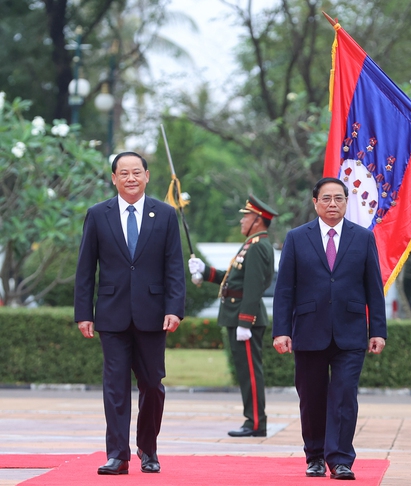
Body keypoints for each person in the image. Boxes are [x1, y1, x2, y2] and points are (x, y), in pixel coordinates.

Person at [74, 151, 186, 475]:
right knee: (115, 386)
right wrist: (84, 312)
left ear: (147, 176)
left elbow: (174, 267)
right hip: (111, 314)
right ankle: (117, 455)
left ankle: (148, 449)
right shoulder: (98, 214)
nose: (131, 178)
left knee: (152, 384)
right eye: (124, 173)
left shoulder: (164, 215)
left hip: (153, 314)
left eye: (137, 172)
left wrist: (175, 308)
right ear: (114, 179)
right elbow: (85, 269)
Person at [272, 177, 387, 481]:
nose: (332, 204)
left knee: (344, 395)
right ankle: (315, 456)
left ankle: (340, 460)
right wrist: (281, 331)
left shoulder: (363, 238)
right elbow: (284, 289)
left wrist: (378, 330)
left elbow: (374, 288)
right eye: (326, 199)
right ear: (315, 203)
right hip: (308, 330)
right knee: (311, 396)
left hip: (350, 332)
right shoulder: (297, 237)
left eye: (338, 198)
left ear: (347, 202)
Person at [187, 196, 277, 438]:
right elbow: (232, 278)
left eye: (246, 216)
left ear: (258, 220)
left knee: (250, 371)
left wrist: (245, 321)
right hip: (236, 315)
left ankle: (256, 422)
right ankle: (253, 421)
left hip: (243, 318)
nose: (241, 219)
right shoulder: (251, 244)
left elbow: (254, 286)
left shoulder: (258, 246)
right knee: (245, 371)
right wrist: (205, 272)